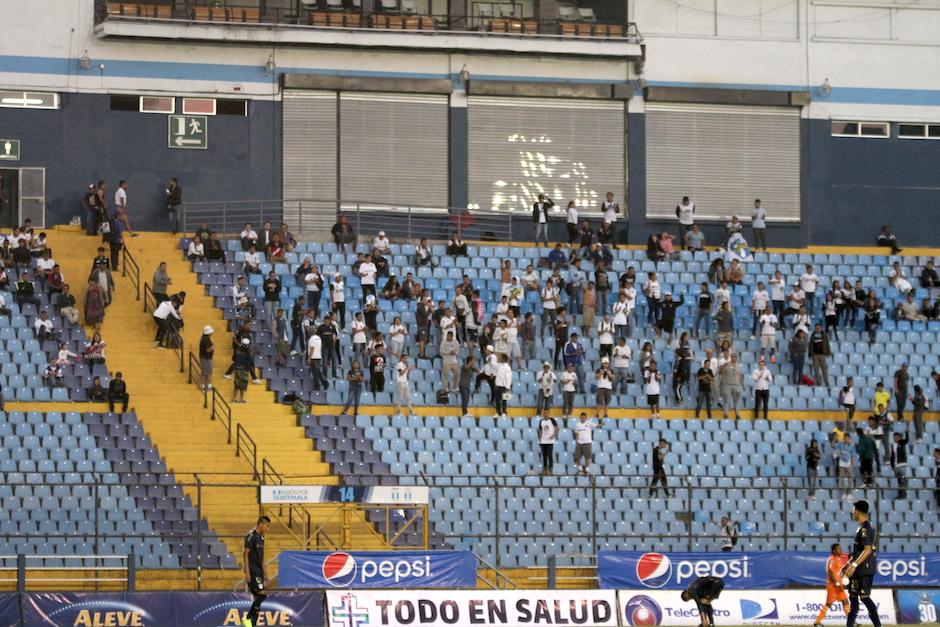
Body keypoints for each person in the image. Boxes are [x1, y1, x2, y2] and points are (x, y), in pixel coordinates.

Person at [842, 500, 883, 627]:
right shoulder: (862, 528)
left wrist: (854, 565)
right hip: (857, 569)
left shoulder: (866, 528)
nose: (852, 512)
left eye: (854, 510)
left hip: (864, 569)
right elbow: (858, 551)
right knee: (853, 598)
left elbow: (868, 550)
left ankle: (878, 625)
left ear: (858, 511)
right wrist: (848, 565)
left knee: (864, 597)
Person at [813, 543, 850, 627]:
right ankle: (817, 622)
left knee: (845, 601)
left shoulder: (839, 559)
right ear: (834, 551)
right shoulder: (832, 559)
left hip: (838, 585)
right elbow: (831, 571)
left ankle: (851, 622)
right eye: (839, 549)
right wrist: (837, 583)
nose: (841, 550)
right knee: (828, 603)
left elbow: (838, 572)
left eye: (840, 549)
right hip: (833, 585)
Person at [243, 515, 270, 627]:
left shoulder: (261, 538)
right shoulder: (251, 536)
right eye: (267, 526)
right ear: (261, 524)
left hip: (259, 572)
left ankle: (252, 624)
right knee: (262, 595)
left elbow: (262, 558)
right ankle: (248, 618)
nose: (268, 529)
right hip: (253, 572)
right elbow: (245, 553)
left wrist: (266, 574)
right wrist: (247, 571)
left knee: (258, 598)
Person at [537, 411, 559, 476]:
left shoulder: (552, 420)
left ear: (549, 414)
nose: (546, 414)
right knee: (544, 456)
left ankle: (550, 471)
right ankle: (544, 470)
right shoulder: (541, 421)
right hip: (543, 441)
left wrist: (554, 435)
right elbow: (540, 430)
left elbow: (557, 428)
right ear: (543, 414)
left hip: (550, 441)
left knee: (549, 456)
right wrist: (540, 439)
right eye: (544, 413)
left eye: (547, 413)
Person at [890, 430, 910, 499]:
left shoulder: (901, 443)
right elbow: (892, 456)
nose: (895, 438)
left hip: (902, 464)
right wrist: (892, 465)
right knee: (899, 482)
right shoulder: (893, 445)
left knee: (902, 481)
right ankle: (900, 495)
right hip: (896, 466)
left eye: (896, 437)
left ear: (899, 438)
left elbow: (907, 440)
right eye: (894, 437)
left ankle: (903, 495)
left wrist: (907, 432)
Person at [199, 326, 214, 390]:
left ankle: (205, 385)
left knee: (206, 372)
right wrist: (212, 347)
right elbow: (207, 350)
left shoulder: (204, 338)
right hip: (206, 358)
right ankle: (207, 386)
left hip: (205, 357)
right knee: (207, 372)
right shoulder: (206, 340)